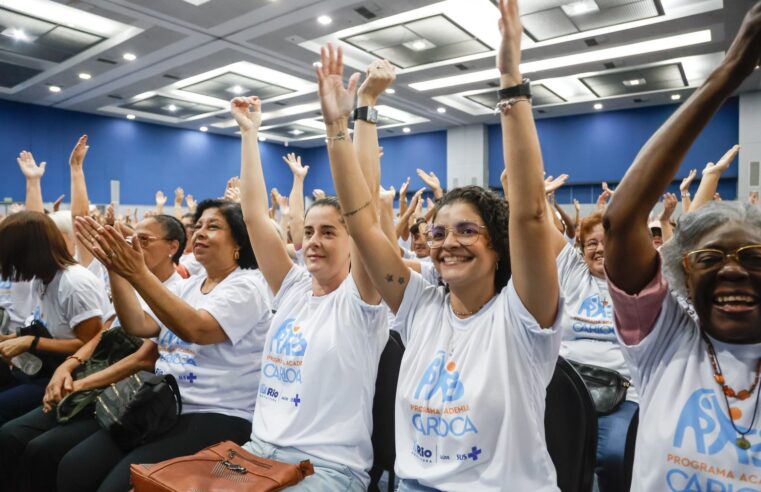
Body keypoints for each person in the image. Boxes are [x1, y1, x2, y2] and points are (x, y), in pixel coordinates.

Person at [319, 0, 563, 488]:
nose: (448, 242)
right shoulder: (420, 307)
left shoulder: (521, 316)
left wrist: (511, 79)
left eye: (467, 230)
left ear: (498, 247)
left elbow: (532, 213)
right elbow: (364, 226)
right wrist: (338, 128)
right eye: (437, 232)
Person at [603, 3, 761, 491]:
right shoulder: (665, 343)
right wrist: (729, 71)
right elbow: (622, 220)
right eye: (710, 259)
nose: (733, 272)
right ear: (684, 276)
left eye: (754, 258)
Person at [231, 62, 391, 490]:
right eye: (308, 232)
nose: (314, 241)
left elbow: (366, 211)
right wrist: (250, 134)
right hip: (256, 451)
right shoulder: (294, 286)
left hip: (325, 467)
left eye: (328, 233)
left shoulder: (362, 301)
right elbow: (251, 216)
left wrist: (362, 112)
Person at [57, 199, 271, 492]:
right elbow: (137, 325)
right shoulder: (188, 286)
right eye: (197, 226)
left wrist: (137, 272)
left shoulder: (248, 286)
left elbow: (196, 328)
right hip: (162, 405)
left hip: (216, 414)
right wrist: (115, 269)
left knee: (116, 486)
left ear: (238, 242)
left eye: (213, 226)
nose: (200, 233)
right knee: (74, 466)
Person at [0, 214, 186, 491]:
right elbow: (105, 333)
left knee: (45, 450)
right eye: (132, 237)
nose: (134, 245)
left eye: (144, 240)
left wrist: (78, 381)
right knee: (15, 436)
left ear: (173, 247)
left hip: (125, 390)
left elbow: (143, 355)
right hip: (92, 375)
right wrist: (69, 366)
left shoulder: (178, 292)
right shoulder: (128, 284)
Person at [0, 212, 106, 425]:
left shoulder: (74, 284)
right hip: (44, 367)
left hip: (72, 376)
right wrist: (11, 339)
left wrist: (32, 342)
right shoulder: (43, 279)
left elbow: (92, 344)